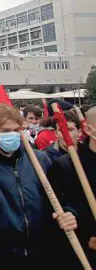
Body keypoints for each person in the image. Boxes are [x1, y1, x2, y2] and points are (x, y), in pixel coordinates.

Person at [0, 105, 77, 270]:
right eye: (5, 131)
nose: (11, 135)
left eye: (16, 130)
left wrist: (70, 213)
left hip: (41, 253)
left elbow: (63, 196)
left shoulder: (40, 160)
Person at [49, 106, 96, 268]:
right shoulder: (67, 165)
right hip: (84, 254)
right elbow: (61, 208)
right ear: (89, 130)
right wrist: (83, 233)